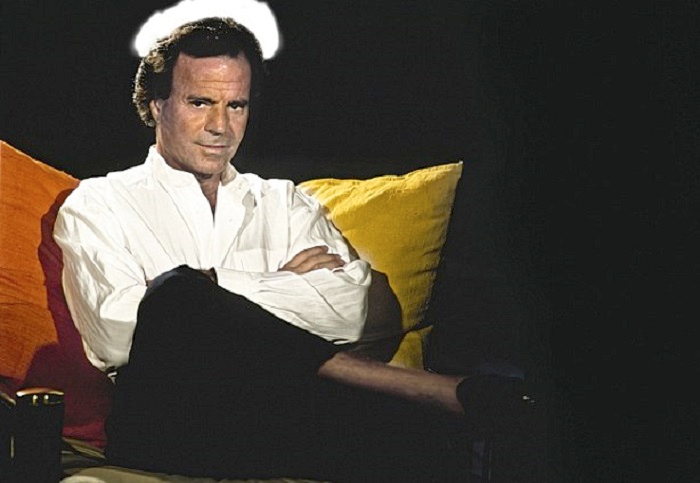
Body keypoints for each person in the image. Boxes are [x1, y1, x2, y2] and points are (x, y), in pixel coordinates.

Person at [54, 16, 530, 481]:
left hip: (281, 408)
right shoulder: (99, 201)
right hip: (170, 417)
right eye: (200, 102)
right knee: (173, 295)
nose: (221, 126)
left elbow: (362, 312)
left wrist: (215, 290)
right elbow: (116, 336)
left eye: (236, 105)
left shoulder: (283, 201)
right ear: (156, 105)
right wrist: (276, 286)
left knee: (413, 440)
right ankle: (435, 390)